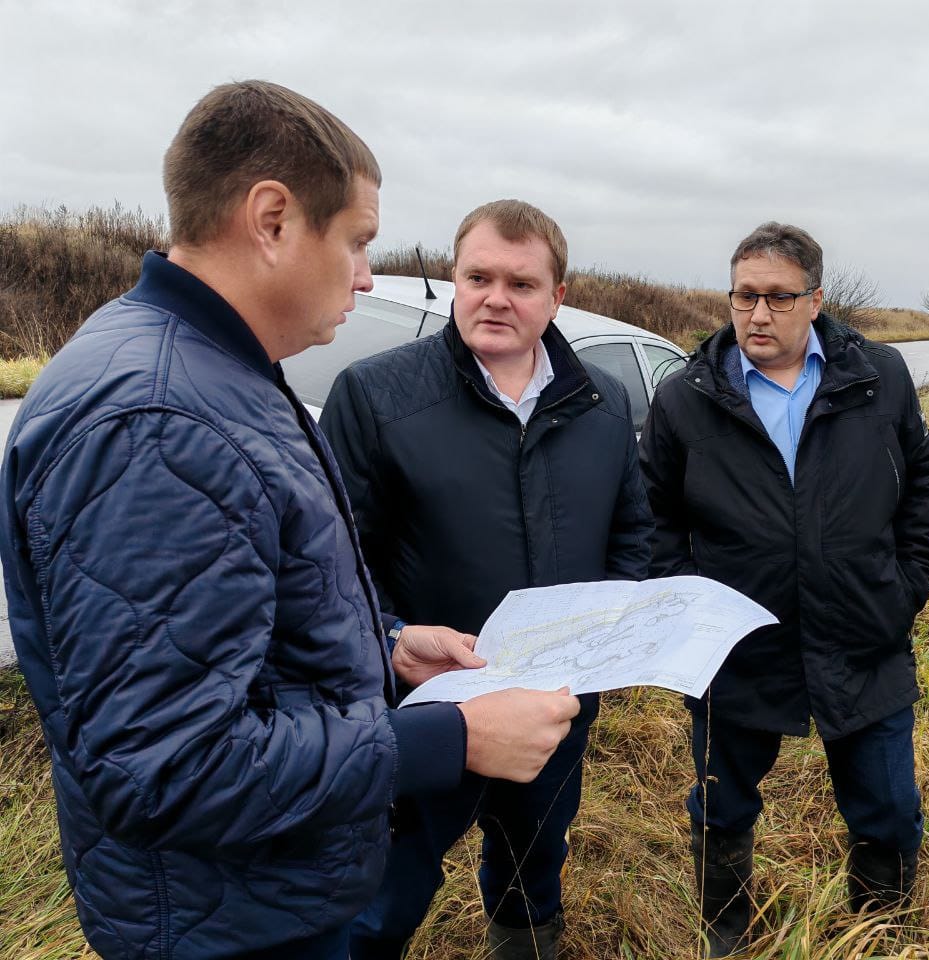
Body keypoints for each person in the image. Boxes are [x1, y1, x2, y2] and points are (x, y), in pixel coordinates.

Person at [0, 82, 579, 960]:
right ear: (272, 219)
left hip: (260, 891)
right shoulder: (159, 423)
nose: (366, 275)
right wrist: (448, 738)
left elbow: (236, 618)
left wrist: (386, 645)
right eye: (357, 240)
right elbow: (166, 766)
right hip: (228, 922)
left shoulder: (217, 370)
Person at [321, 198, 652, 959]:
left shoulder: (601, 405)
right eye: (478, 278)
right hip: (425, 708)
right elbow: (335, 562)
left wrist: (607, 645)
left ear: (557, 297)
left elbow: (632, 533)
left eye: (521, 284)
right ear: (456, 279)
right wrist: (394, 640)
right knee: (384, 893)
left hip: (555, 703)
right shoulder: (377, 396)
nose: (496, 298)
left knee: (533, 862)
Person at [639, 222, 929, 956]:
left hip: (862, 636)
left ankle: (878, 935)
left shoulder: (878, 377)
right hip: (737, 649)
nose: (758, 314)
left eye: (778, 297)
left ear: (816, 299)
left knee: (888, 807)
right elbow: (652, 516)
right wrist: (690, 615)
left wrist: (904, 586)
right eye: (744, 296)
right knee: (722, 804)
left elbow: (925, 475)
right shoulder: (686, 398)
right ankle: (727, 936)